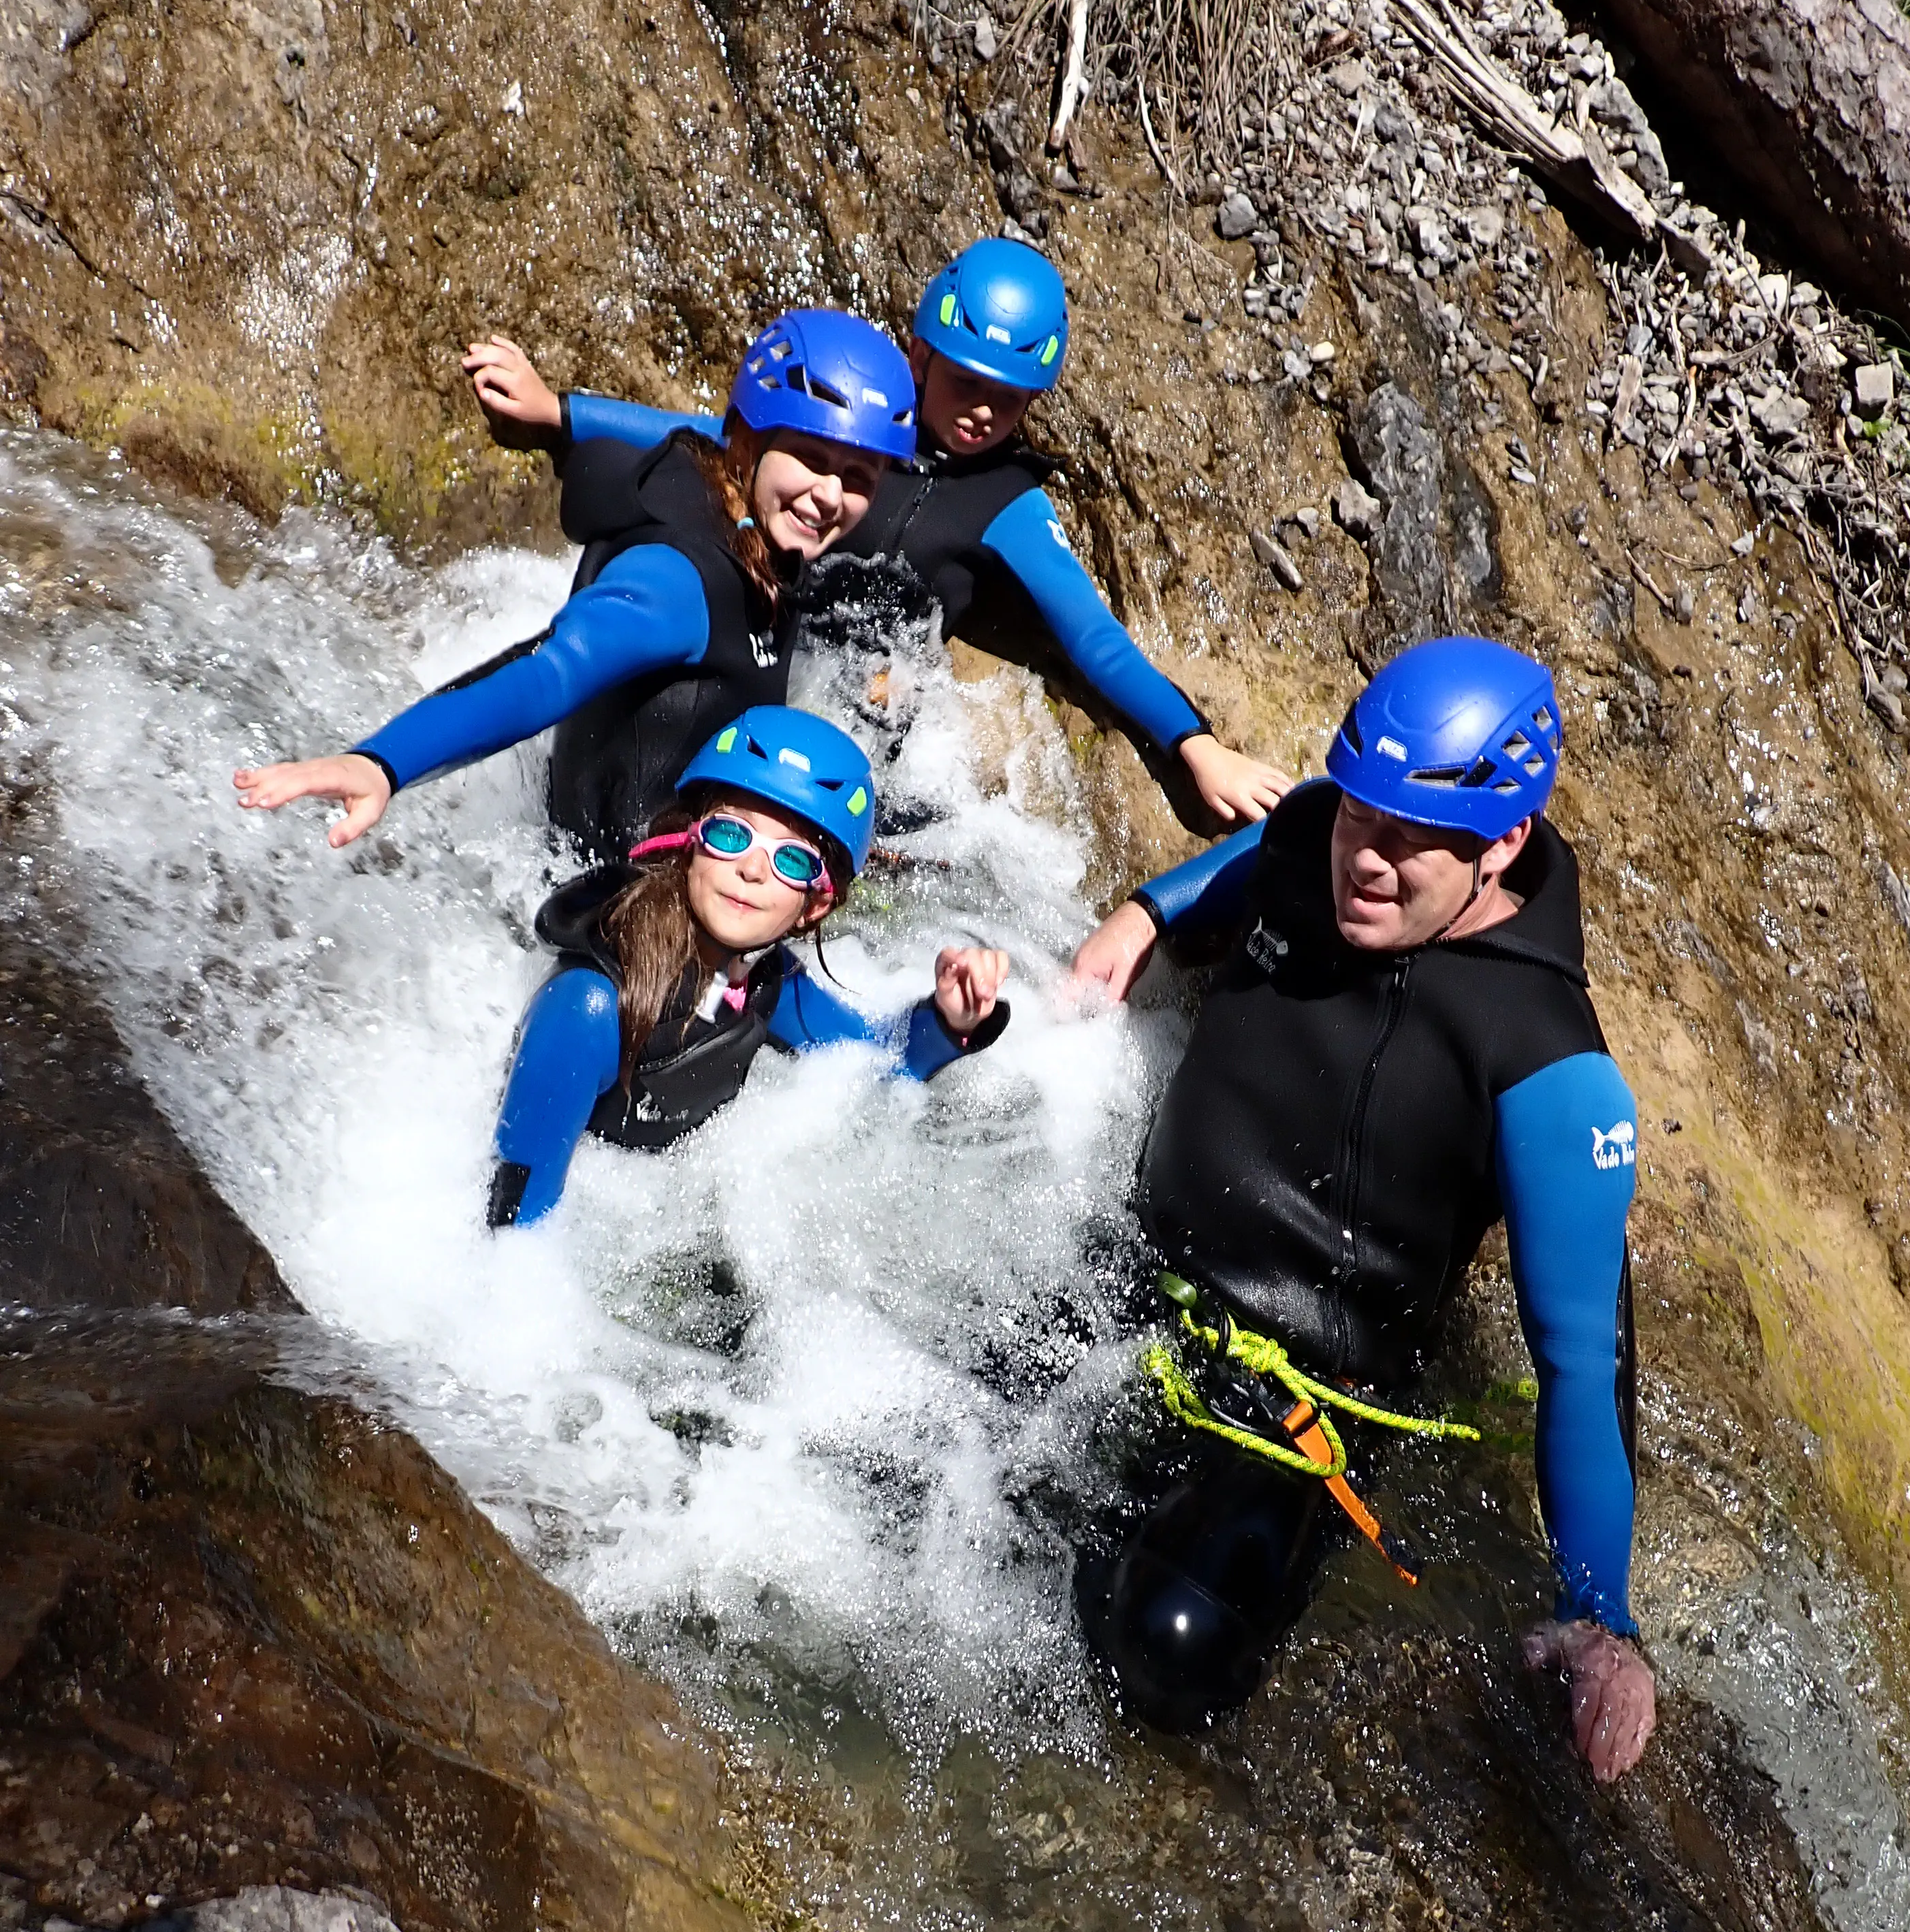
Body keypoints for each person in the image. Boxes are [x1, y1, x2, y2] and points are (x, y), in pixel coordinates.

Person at [1068, 637, 1654, 1784]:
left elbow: (1585, 1362)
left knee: (1168, 1651)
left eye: (1408, 839)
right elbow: (1260, 854)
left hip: (1297, 1400)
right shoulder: (1314, 840)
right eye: (1357, 816)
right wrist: (1144, 918)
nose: (1365, 862)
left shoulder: (1548, 1066)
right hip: (1132, 1277)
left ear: (1503, 845)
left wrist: (1601, 1620)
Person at [462, 237, 1290, 833]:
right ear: (917, 356)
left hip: (866, 681)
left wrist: (1197, 747)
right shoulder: (861, 421)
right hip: (763, 631)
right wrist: (560, 413)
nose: (980, 412)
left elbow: (1095, 639)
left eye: (1008, 401)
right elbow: (711, 435)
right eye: (965, 382)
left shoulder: (1009, 503)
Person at [232, 310, 919, 863]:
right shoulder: (681, 582)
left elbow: (688, 429)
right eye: (813, 458)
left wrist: (559, 414)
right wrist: (383, 764)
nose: (831, 496)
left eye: (860, 477)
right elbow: (549, 672)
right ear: (751, 441)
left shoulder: (738, 485)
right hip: (619, 905)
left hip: (699, 858)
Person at [487, 705, 1010, 1226]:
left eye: (792, 861)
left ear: (816, 904)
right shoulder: (589, 1008)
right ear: (691, 842)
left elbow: (879, 1064)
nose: (753, 869)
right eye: (732, 835)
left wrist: (949, 1020)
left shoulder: (764, 978)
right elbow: (513, 1230)